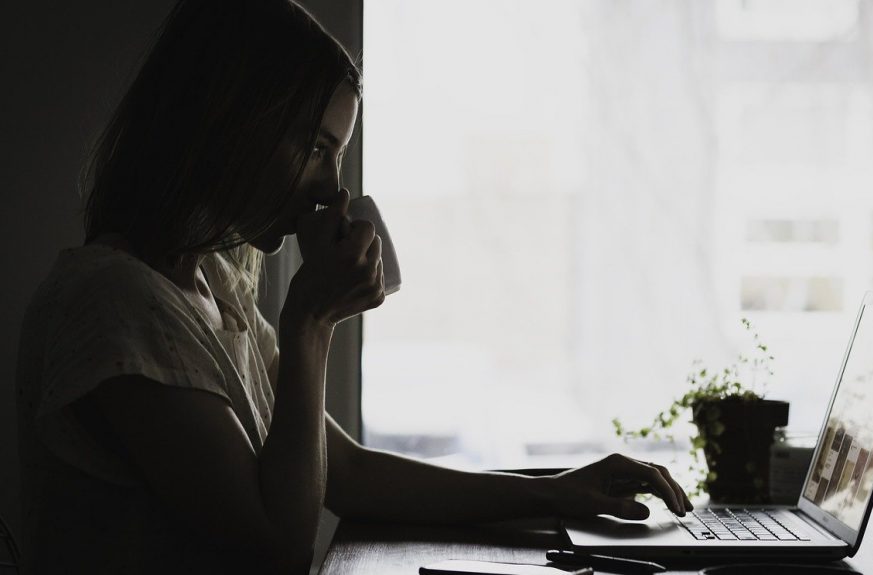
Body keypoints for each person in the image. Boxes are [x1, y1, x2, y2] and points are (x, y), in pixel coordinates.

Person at [15, 1, 692, 573]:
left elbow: (349, 473)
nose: (333, 186)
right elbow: (275, 546)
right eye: (315, 145)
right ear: (228, 123)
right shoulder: (114, 304)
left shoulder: (211, 291)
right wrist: (311, 322)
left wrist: (557, 490)